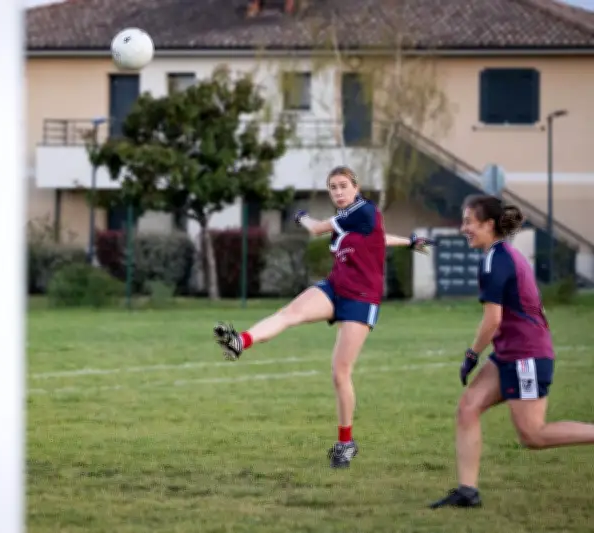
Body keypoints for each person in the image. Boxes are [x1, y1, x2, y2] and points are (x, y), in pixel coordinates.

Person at [213, 165, 435, 468]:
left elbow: (316, 228)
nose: (339, 192)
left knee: (340, 372)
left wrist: (300, 216)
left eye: (343, 186)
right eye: (333, 188)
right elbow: (379, 239)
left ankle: (346, 443)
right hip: (335, 288)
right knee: (289, 313)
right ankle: (240, 342)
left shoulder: (363, 209)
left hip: (361, 299)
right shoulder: (355, 220)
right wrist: (409, 242)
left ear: (356, 187)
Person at [430, 194, 594, 508]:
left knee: (533, 435)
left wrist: (471, 354)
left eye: (468, 222)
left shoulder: (497, 260)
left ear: (488, 224)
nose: (463, 228)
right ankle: (467, 491)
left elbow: (493, 319)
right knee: (468, 408)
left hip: (526, 356)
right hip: (509, 353)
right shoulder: (498, 254)